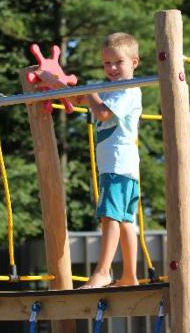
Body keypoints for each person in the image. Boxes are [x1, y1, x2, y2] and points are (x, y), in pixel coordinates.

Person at [76, 32, 142, 288]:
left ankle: (103, 271)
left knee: (109, 217)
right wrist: (55, 83)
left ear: (134, 62)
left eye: (118, 62)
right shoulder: (113, 90)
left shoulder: (127, 89)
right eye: (107, 63)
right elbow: (85, 100)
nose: (112, 68)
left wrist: (90, 91)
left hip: (117, 164)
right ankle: (129, 276)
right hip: (122, 166)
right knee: (125, 220)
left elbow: (102, 113)